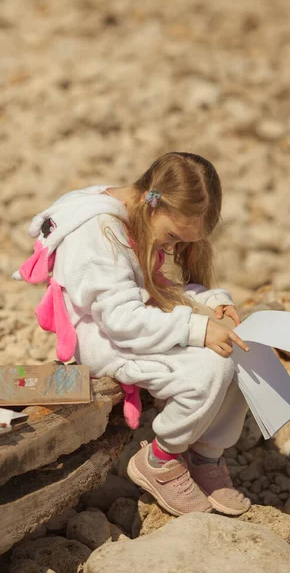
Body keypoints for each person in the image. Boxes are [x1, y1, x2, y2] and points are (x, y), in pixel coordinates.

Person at [13, 152, 251, 517]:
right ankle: (160, 459)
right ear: (149, 202)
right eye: (172, 237)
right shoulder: (98, 233)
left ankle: (206, 454)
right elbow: (120, 319)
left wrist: (214, 303)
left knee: (241, 352)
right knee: (210, 369)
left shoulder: (149, 219)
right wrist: (195, 327)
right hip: (104, 337)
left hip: (139, 319)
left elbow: (166, 281)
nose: (171, 248)